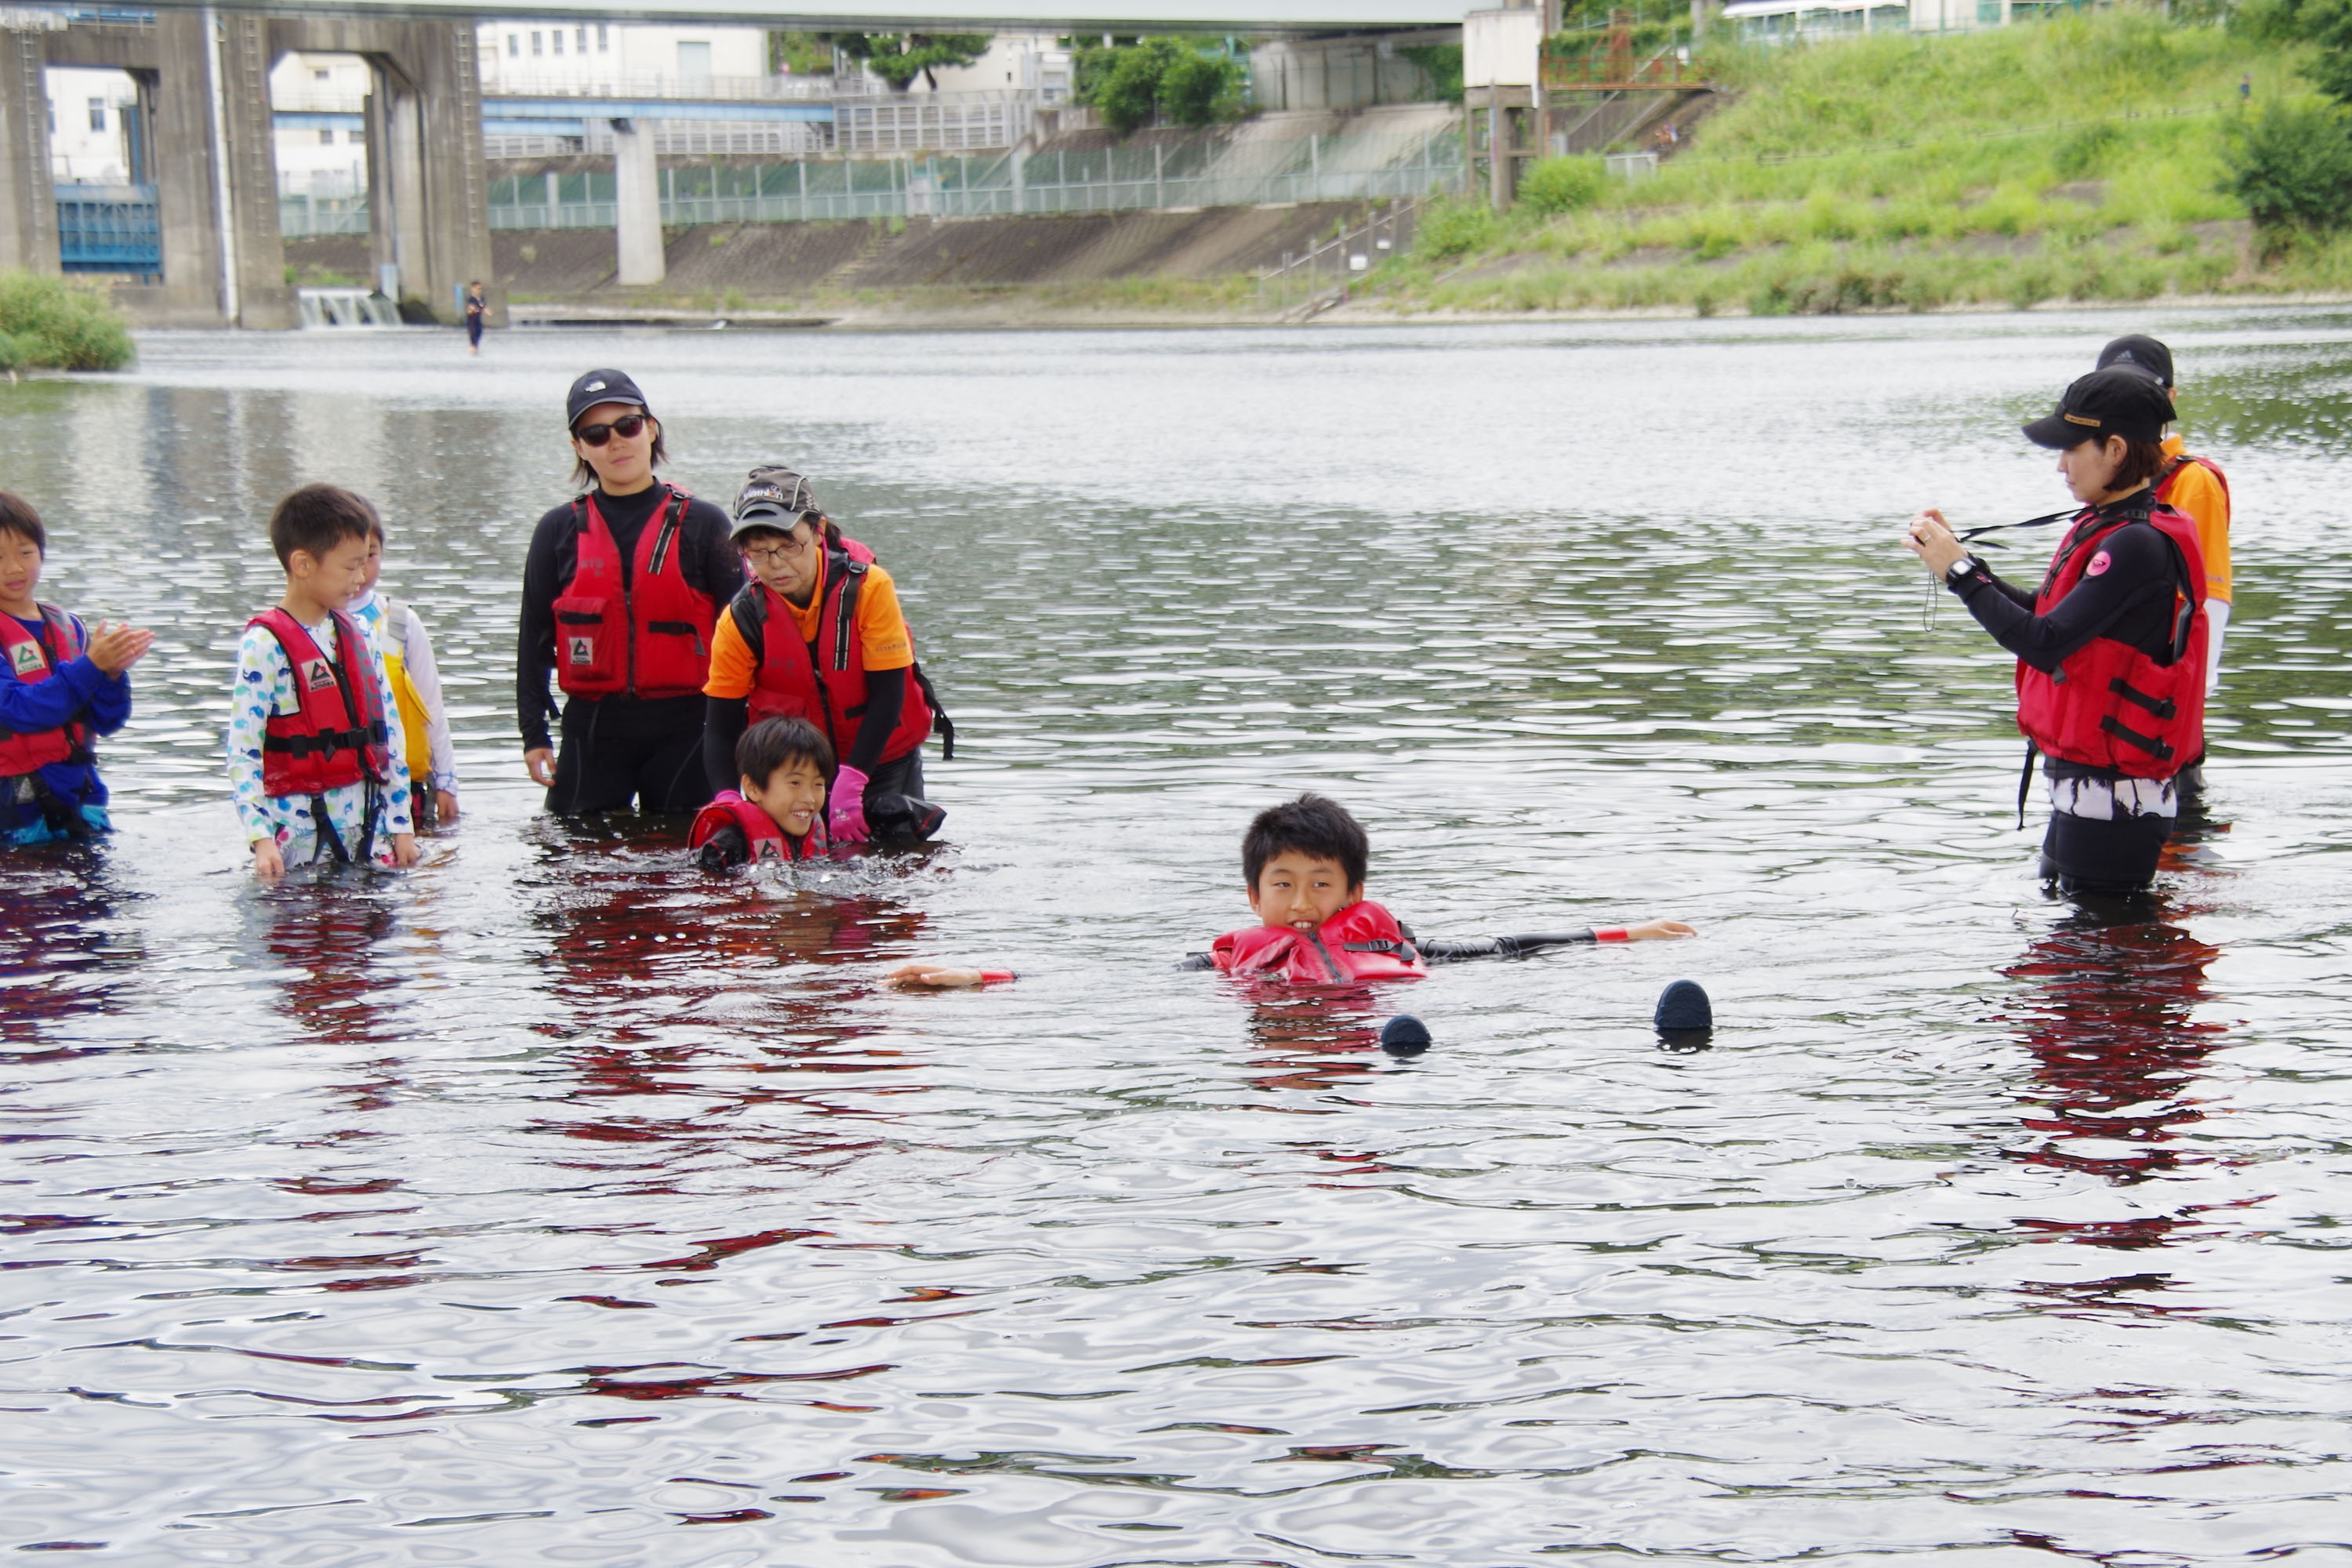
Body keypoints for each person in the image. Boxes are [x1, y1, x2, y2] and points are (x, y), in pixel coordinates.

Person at [1905, 367, 2206, 895]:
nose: (2061, 465)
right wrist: (1962, 561)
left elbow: (2045, 644)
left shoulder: (2135, 543)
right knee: (2069, 943)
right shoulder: (2111, 528)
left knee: (2098, 961)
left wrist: (1960, 573)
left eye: (2071, 448)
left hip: (2117, 804)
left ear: (2115, 449)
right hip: (2092, 794)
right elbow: (2048, 618)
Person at [886, 793, 1693, 989]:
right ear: (1252, 897)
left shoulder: (1394, 946)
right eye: (1284, 885)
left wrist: (1624, 934)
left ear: (1356, 892)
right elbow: (1100, 979)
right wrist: (976, 976)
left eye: (1321, 885)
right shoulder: (1227, 965)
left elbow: (1507, 945)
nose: (1302, 904)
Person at [517, 369, 742, 816]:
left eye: (628, 426)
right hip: (592, 730)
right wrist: (534, 735)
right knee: (573, 868)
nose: (616, 442)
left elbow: (748, 635)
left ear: (651, 428)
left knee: (687, 867)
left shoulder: (706, 524)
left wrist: (749, 736)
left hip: (690, 727)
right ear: (579, 447)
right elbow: (532, 638)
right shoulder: (556, 530)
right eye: (596, 434)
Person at [700, 470, 948, 846]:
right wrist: (728, 800)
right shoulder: (740, 620)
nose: (776, 564)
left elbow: (888, 695)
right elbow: (720, 728)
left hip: (881, 759)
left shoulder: (870, 589)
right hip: (795, 772)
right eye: (759, 552)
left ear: (818, 532)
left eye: (788, 546)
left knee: (895, 864)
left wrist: (852, 781)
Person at [227, 484, 417, 877]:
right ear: (302, 564)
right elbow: (243, 754)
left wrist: (402, 826)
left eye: (365, 563)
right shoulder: (264, 645)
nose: (361, 577)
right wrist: (262, 841)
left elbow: (390, 735)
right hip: (297, 840)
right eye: (350, 567)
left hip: (367, 831)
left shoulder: (362, 634)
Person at [2094, 335, 2234, 782]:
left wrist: (2186, 705)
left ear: (2169, 400)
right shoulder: (2104, 480)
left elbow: (2207, 601)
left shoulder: (2194, 483)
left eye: (2144, 394)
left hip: (2159, 715)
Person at [0, 491, 152, 844]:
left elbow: (106, 720)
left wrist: (112, 674)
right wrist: (91, 666)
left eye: (25, 552)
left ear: (41, 553)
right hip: (16, 819)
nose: (14, 567)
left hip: (83, 805)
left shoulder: (70, 628)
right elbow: (18, 710)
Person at [351, 516, 458, 830]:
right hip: (339, 790)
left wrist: (446, 782)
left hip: (402, 787)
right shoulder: (311, 625)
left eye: (370, 555)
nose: (361, 568)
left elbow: (431, 706)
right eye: (352, 558)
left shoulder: (399, 623)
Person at [688, 716, 836, 869]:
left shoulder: (813, 834)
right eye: (795, 783)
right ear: (753, 788)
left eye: (819, 784)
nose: (809, 798)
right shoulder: (729, 845)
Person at [465, 282, 485, 356]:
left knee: (479, 336)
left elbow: (483, 307)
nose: (479, 291)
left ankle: (476, 350)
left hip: (478, 322)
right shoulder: (471, 299)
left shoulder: (482, 299)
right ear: (472, 289)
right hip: (472, 322)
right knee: (473, 338)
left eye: (480, 289)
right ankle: (473, 351)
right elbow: (469, 310)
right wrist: (471, 310)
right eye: (478, 289)